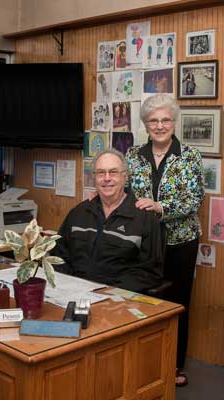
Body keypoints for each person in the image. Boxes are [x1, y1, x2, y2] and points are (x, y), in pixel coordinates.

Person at [126, 94, 205, 386]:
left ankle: (173, 366)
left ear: (174, 122)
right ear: (146, 124)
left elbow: (195, 198)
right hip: (142, 242)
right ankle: (143, 362)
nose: (160, 126)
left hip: (180, 243)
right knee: (142, 301)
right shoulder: (133, 155)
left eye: (166, 120)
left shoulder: (191, 155)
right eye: (154, 120)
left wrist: (161, 208)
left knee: (177, 303)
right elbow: (125, 194)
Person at [53, 148, 164, 293]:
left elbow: (150, 272)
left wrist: (111, 292)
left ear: (125, 177)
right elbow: (59, 257)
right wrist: (68, 286)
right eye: (100, 172)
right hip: (73, 293)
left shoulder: (144, 218)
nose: (106, 178)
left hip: (117, 299)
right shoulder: (78, 213)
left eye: (113, 172)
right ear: (94, 178)